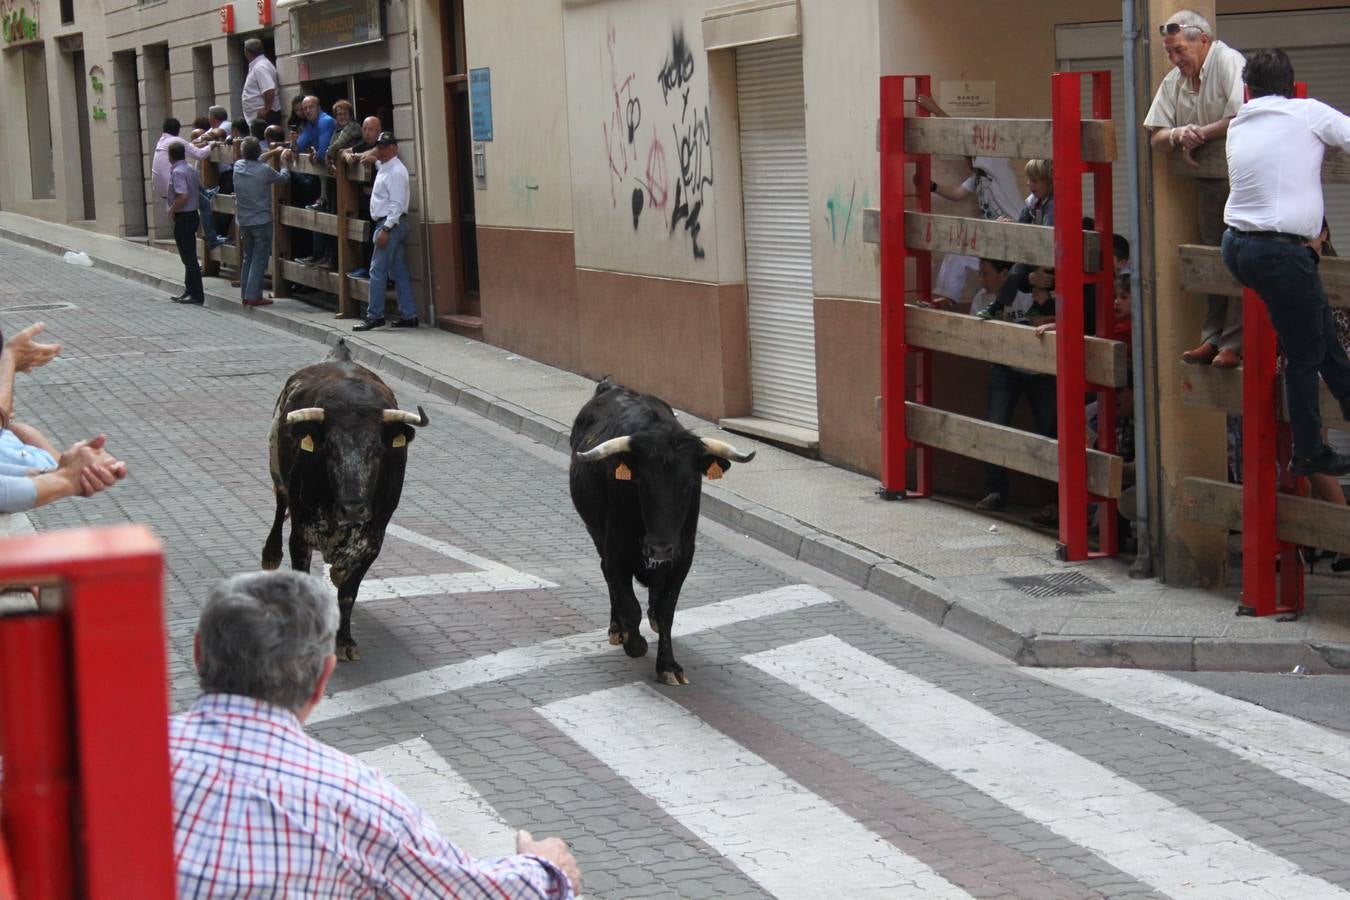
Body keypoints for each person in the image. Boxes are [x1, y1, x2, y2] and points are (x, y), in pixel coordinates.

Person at [171, 570, 581, 897]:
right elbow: (466, 891)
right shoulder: (355, 799)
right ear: (323, 677)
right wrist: (544, 869)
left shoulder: (113, 756)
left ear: (197, 653)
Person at [1222, 48, 1350, 477]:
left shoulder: (1239, 121)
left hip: (1236, 247)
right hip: (1279, 253)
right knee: (1304, 351)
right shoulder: (1306, 112)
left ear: (1248, 89)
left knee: (1317, 324)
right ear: (1290, 87)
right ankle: (1309, 449)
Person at [1144, 9, 1247, 369]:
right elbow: (1155, 135)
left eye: (1179, 51)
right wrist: (1177, 134)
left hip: (1239, 179)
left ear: (1203, 40)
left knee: (1236, 257)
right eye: (1169, 53)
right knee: (1212, 257)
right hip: (1209, 182)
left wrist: (1199, 132)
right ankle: (1213, 337)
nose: (1174, 60)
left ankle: (1233, 341)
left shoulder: (1228, 61)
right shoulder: (1175, 80)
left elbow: (1241, 114)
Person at [914, 94, 1023, 307]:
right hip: (997, 238)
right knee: (958, 253)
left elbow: (961, 139)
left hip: (1016, 233)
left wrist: (935, 109)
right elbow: (956, 193)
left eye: (967, 157)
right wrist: (932, 186)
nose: (966, 161)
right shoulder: (977, 179)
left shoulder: (995, 165)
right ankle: (947, 299)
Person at [968, 259, 1054, 510]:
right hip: (1005, 368)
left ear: (1005, 274)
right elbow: (977, 340)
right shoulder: (981, 300)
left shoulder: (1028, 293)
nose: (981, 280)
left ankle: (1054, 499)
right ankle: (995, 490)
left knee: (1050, 431)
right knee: (995, 426)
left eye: (986, 274)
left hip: (1041, 371)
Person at [354, 133, 419, 331]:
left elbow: (397, 205)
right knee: (397, 270)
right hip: (391, 223)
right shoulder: (385, 166)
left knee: (377, 270)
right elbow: (377, 162)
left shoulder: (396, 171)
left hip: (391, 224)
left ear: (394, 148)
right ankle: (409, 314)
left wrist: (387, 229)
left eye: (385, 146)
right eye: (379, 146)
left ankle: (375, 315)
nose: (381, 150)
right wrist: (373, 157)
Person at [977, 159, 1055, 321]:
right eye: (1028, 179)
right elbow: (1021, 228)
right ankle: (1005, 306)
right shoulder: (1034, 203)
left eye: (1034, 180)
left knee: (1018, 269)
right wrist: (1009, 227)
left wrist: (1039, 267)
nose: (1028, 184)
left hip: (1052, 259)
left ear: (1049, 182)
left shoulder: (1052, 205)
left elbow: (1048, 237)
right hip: (1040, 256)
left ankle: (997, 306)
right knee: (1017, 269)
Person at [233, 138, 293, 307]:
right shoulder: (265, 170)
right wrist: (283, 163)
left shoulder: (237, 167)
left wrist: (273, 152)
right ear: (258, 151)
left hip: (243, 220)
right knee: (259, 259)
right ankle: (253, 296)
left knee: (248, 257)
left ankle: (246, 293)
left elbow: (255, 160)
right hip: (261, 220)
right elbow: (283, 179)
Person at [295, 96, 339, 266]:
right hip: (322, 179)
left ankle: (329, 258)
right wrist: (290, 146)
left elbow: (322, 153)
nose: (307, 111)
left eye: (310, 107)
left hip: (332, 179)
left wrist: (314, 152)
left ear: (319, 107)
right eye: (304, 108)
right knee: (320, 217)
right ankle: (319, 255)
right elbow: (297, 147)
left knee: (329, 218)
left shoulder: (325, 121)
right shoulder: (310, 125)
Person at [342, 115, 383, 279]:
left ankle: (380, 274)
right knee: (365, 235)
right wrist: (347, 156)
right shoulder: (361, 145)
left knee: (376, 236)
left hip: (380, 201)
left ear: (378, 131)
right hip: (365, 199)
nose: (366, 132)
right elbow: (344, 151)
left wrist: (357, 157)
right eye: (364, 129)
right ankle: (366, 267)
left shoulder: (382, 146)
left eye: (370, 129)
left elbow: (375, 152)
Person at [167, 142, 205, 305]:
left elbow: (183, 196)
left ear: (170, 156)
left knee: (189, 258)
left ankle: (196, 294)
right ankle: (189, 290)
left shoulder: (178, 172)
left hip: (184, 216)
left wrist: (172, 210)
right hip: (192, 215)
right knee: (188, 258)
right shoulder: (190, 169)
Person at [241, 37, 281, 125]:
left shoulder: (260, 67)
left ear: (247, 52)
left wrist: (266, 110)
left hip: (266, 116)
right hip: (262, 116)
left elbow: (269, 90)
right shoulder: (260, 65)